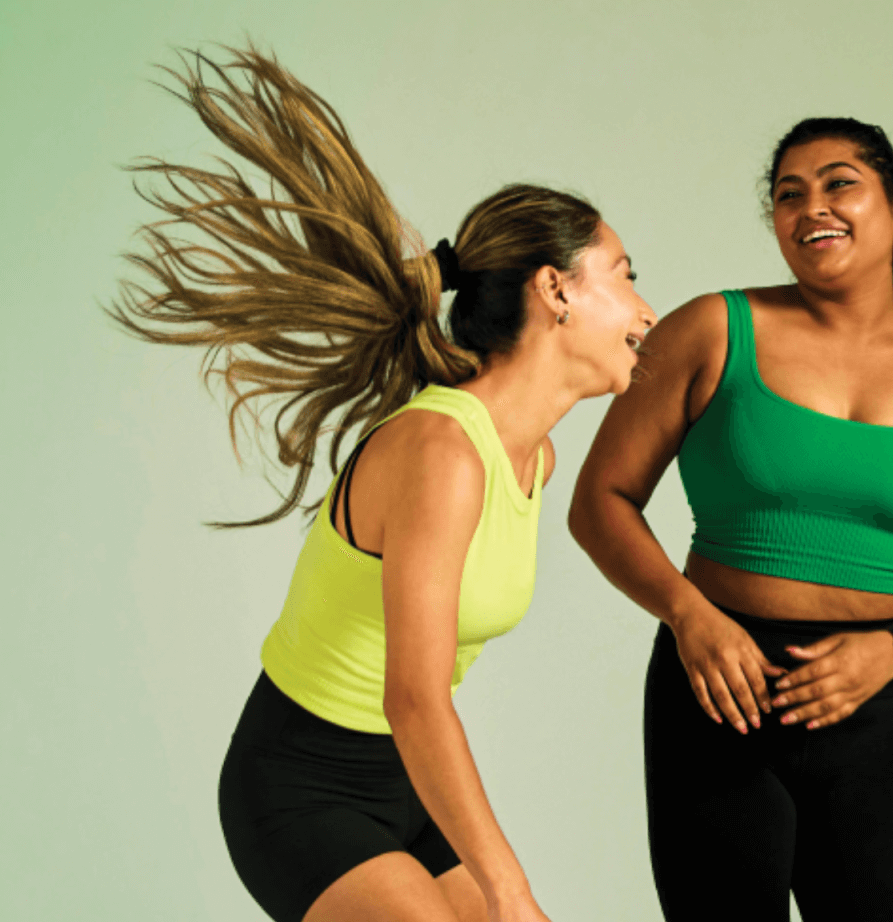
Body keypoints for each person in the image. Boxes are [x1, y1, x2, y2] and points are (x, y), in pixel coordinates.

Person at [111, 46, 657, 922]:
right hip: (301, 785)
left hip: (408, 780)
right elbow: (413, 693)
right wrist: (513, 895)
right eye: (627, 276)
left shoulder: (535, 459)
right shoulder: (441, 451)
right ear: (556, 291)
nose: (645, 310)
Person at [568, 117, 893, 921]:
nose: (810, 205)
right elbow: (598, 501)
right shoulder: (711, 330)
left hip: (877, 704)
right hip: (720, 693)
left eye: (839, 182)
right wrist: (688, 616)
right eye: (789, 194)